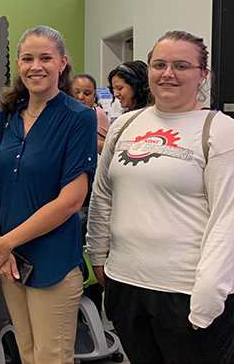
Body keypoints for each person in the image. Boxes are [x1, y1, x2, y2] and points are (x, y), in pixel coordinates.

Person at [87, 31, 234, 363]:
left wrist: (208, 298)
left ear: (203, 75)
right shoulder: (124, 125)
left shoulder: (219, 130)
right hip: (126, 286)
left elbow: (228, 220)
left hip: (186, 292)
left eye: (181, 65)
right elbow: (103, 195)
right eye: (160, 64)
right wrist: (98, 258)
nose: (168, 74)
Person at [0, 26, 97, 363]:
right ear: (18, 64)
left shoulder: (79, 118)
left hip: (53, 261)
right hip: (9, 262)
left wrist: (6, 242)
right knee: (27, 353)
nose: (36, 66)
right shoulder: (7, 118)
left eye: (46, 58)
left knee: (51, 356)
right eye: (28, 59)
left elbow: (71, 200)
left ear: (62, 63)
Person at [73, 73, 109, 154]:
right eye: (76, 92)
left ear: (94, 96)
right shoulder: (68, 113)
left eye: (87, 94)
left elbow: (104, 148)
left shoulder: (96, 114)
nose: (81, 97)